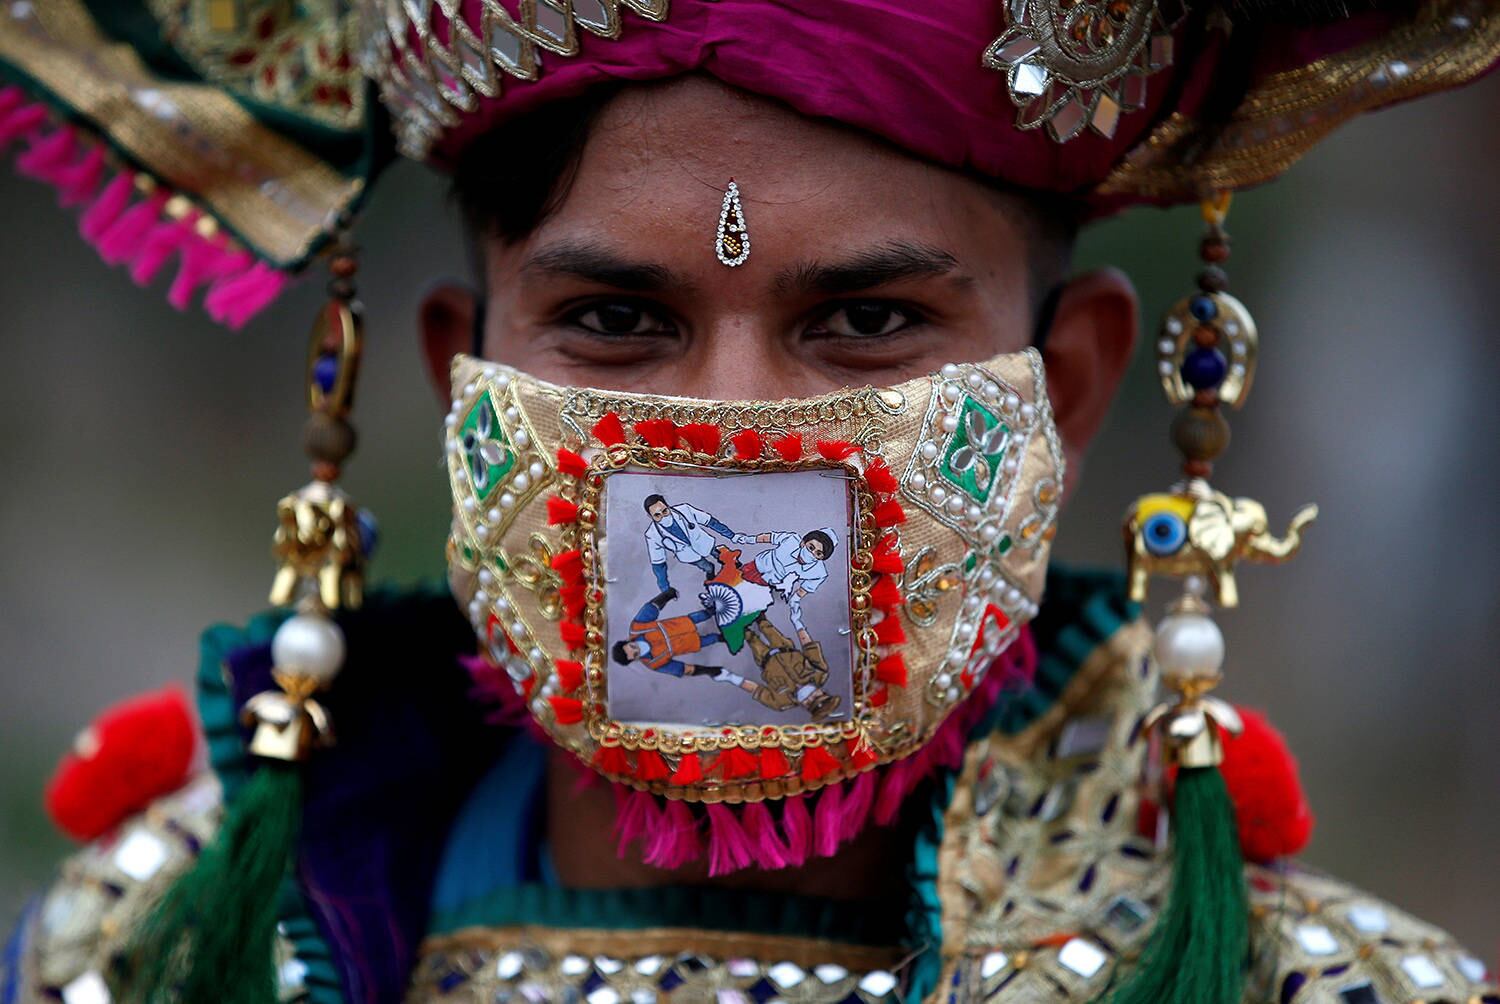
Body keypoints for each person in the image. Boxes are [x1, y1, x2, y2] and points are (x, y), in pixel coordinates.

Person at [1, 4, 1496, 1004]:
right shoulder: (154, 951)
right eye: (614, 322)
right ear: (464, 382)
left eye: (863, 325)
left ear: (1071, 386)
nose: (729, 438)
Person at [642, 493, 738, 592]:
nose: (663, 516)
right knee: (708, 568)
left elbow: (711, 522)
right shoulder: (652, 535)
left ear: (668, 507)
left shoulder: (685, 510)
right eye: (657, 515)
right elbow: (658, 564)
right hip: (688, 555)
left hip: (704, 543)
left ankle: (735, 568)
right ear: (650, 516)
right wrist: (665, 589)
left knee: (720, 555)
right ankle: (713, 584)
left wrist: (732, 536)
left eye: (665, 511)